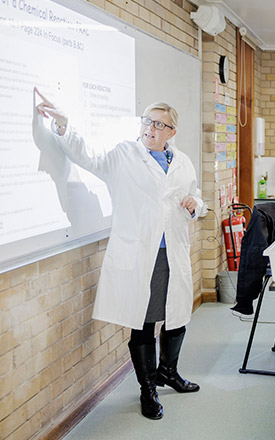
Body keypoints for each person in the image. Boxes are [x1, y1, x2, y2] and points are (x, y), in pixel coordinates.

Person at [33, 88, 206, 420]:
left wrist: (195, 205)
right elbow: (89, 157)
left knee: (178, 316)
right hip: (141, 255)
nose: (150, 129)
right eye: (147, 121)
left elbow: (195, 196)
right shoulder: (124, 154)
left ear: (172, 132)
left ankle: (168, 371)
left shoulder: (182, 161)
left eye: (158, 124)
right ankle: (148, 390)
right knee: (144, 322)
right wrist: (65, 126)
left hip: (174, 252)